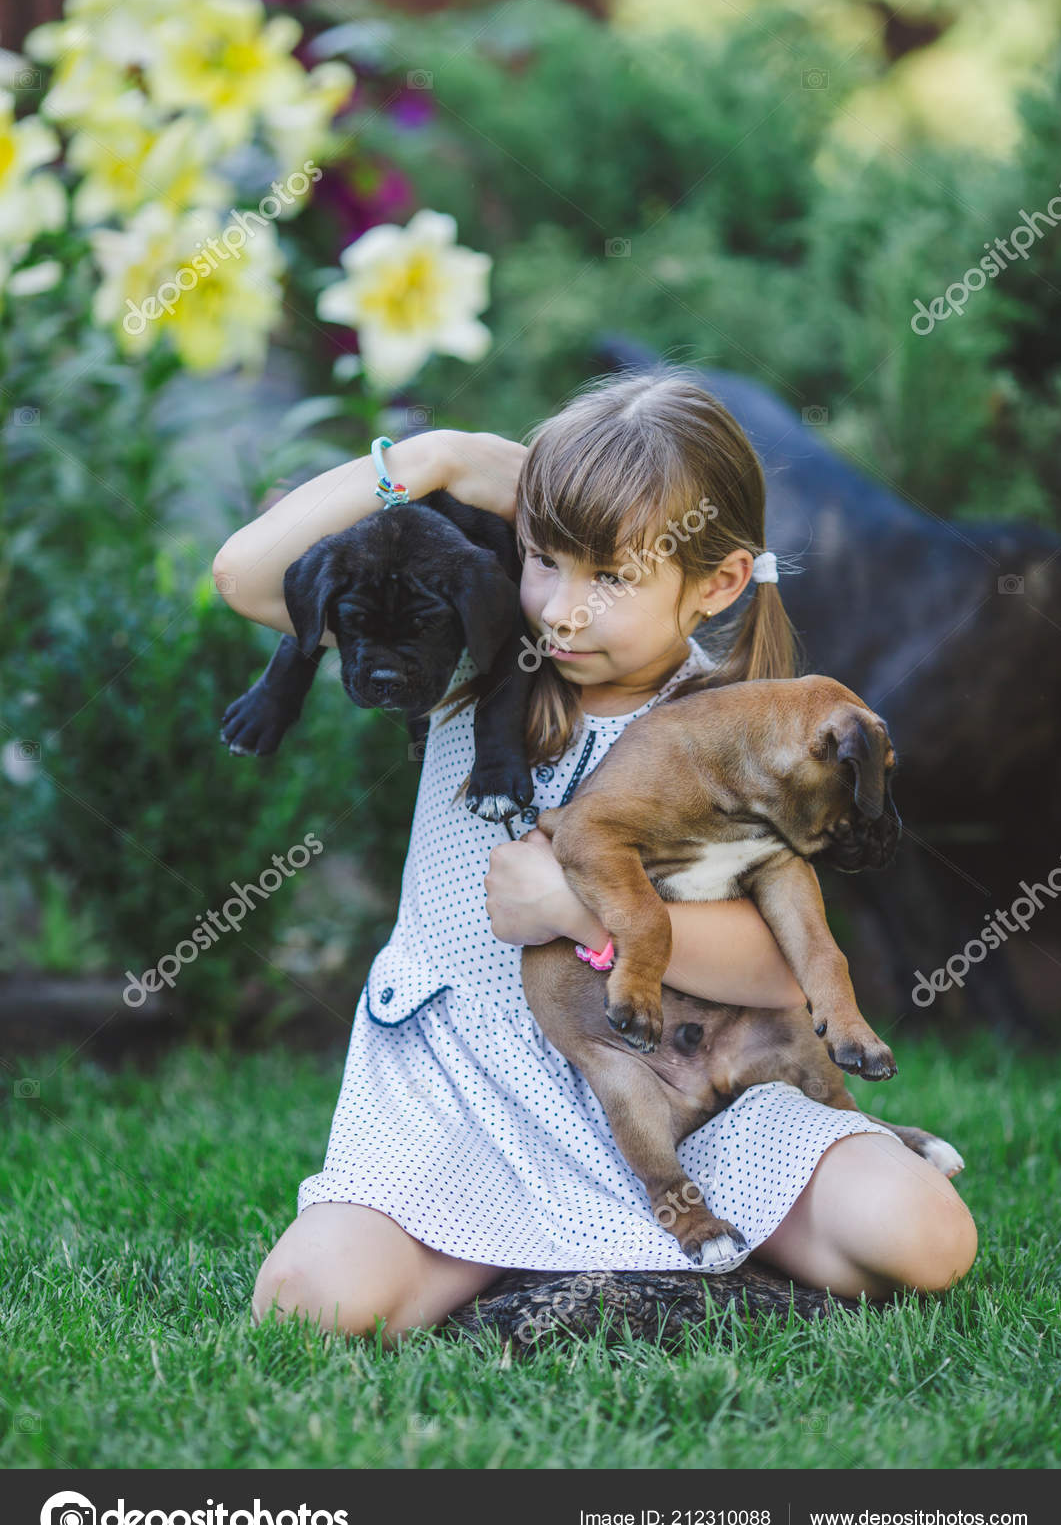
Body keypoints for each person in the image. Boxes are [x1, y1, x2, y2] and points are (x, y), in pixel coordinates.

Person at [213, 367, 977, 1348]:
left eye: (609, 576)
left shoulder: (737, 728)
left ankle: (637, 1230)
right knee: (308, 1299)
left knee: (921, 1235)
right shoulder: (476, 646)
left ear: (717, 582)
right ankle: (537, 1236)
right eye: (544, 558)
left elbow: (774, 959)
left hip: (683, 1099)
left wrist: (578, 910)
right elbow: (243, 575)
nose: (562, 611)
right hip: (462, 1097)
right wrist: (440, 457)